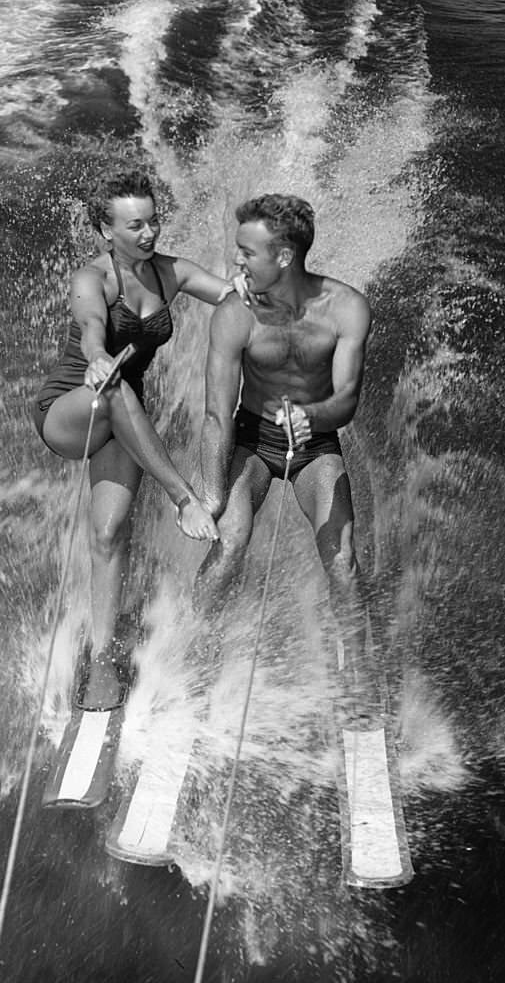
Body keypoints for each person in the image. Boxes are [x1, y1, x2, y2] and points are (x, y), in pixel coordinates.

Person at [34, 168, 236, 710]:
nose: (149, 233)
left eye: (153, 221)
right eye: (135, 225)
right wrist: (97, 355)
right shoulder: (92, 278)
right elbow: (92, 322)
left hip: (124, 417)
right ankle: (184, 498)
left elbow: (234, 300)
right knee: (120, 389)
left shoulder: (171, 273)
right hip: (75, 407)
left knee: (110, 530)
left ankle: (101, 658)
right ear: (106, 229)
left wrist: (258, 289)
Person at [195, 193, 373, 703]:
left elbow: (345, 402)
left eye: (247, 253)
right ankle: (197, 650)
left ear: (284, 257)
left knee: (342, 560)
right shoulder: (236, 313)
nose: (236, 262)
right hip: (251, 440)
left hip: (315, 445)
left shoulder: (347, 308)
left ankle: (357, 672)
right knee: (229, 544)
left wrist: (309, 415)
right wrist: (211, 495)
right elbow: (215, 415)